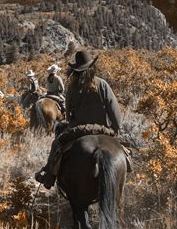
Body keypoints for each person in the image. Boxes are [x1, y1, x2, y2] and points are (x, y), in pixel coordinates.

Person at [35, 50, 131, 189]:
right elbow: (115, 114)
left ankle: (49, 177)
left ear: (76, 70)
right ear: (92, 67)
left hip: (78, 131)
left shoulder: (72, 88)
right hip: (104, 130)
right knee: (123, 152)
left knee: (56, 144)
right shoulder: (102, 85)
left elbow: (68, 117)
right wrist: (114, 131)